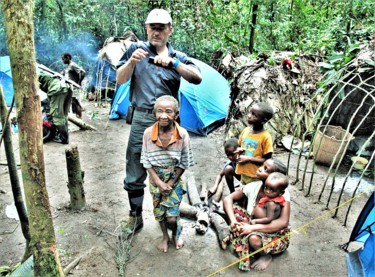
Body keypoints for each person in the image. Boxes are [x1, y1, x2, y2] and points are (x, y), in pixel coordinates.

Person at [116, 8, 202, 236]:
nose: (156, 32)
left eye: (161, 28)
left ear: (169, 30)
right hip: (142, 117)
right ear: (146, 29)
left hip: (169, 122)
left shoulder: (179, 56)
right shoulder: (135, 50)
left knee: (169, 167)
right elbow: (120, 79)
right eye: (152, 27)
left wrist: (173, 64)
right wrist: (131, 63)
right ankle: (135, 217)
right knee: (135, 166)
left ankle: (169, 214)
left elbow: (197, 77)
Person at [140, 95, 193, 252]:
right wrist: (158, 182)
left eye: (169, 111)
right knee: (160, 212)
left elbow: (184, 162)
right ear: (154, 113)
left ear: (176, 114)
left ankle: (176, 234)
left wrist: (169, 183)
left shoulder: (182, 135)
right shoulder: (148, 134)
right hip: (155, 178)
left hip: (174, 178)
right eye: (159, 111)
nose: (163, 115)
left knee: (172, 215)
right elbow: (145, 160)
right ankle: (165, 236)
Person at [223, 159, 290, 271]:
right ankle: (241, 233)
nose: (259, 169)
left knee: (253, 239)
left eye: (265, 169)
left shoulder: (281, 196)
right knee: (232, 209)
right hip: (253, 222)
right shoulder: (254, 186)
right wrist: (233, 221)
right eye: (262, 166)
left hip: (273, 233)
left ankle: (265, 255)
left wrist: (251, 228)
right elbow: (228, 199)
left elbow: (283, 222)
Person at [235, 102, 274, 185]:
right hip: (243, 171)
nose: (249, 116)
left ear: (264, 120)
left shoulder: (265, 137)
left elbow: (267, 160)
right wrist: (238, 150)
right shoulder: (245, 131)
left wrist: (249, 158)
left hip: (255, 176)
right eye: (250, 112)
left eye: (254, 115)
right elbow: (239, 146)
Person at [38, 71, 72, 144]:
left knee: (57, 116)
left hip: (57, 89)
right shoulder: (45, 74)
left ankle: (64, 139)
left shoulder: (35, 78)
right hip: (67, 86)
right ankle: (64, 137)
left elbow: (43, 97)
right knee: (63, 115)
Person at [61, 52, 85, 118]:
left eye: (63, 59)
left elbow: (83, 72)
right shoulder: (69, 66)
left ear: (67, 58)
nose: (62, 61)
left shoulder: (72, 65)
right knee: (73, 102)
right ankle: (77, 117)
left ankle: (80, 117)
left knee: (76, 102)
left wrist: (78, 82)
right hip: (71, 86)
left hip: (74, 86)